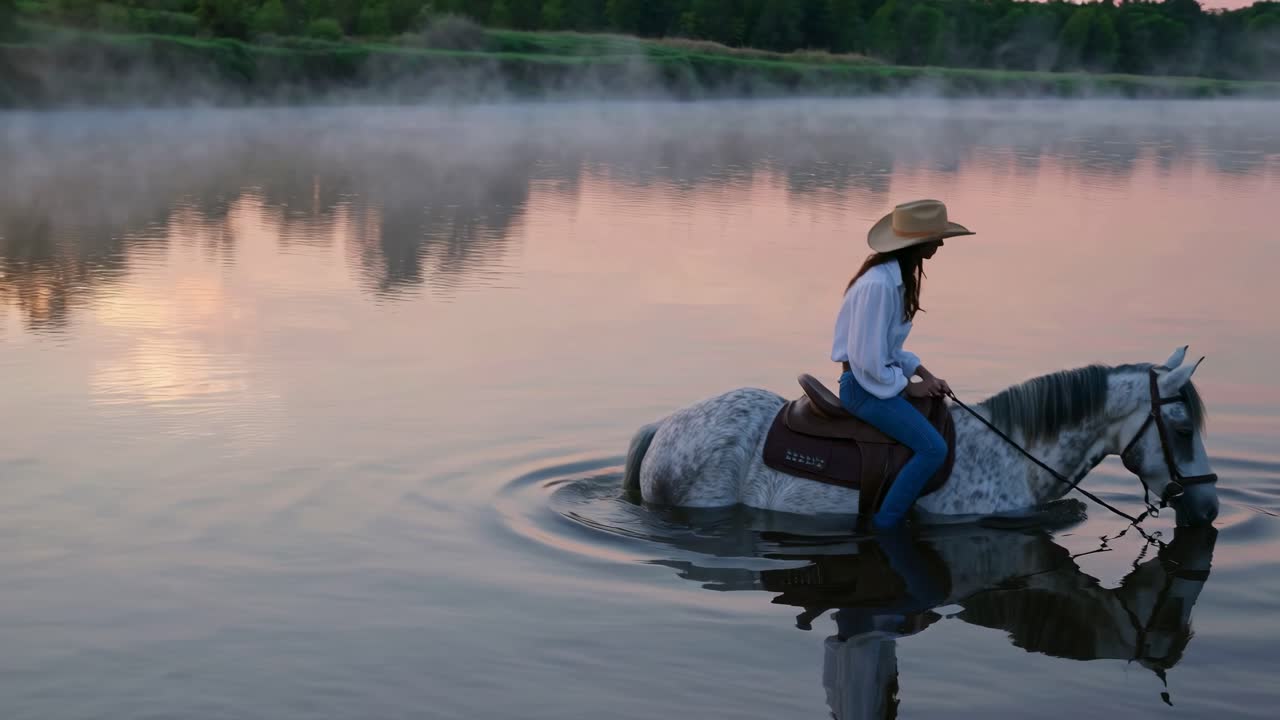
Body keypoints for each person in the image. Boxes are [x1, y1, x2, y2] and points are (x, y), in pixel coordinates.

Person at [831, 199, 975, 530]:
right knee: (933, 449)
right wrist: (910, 387)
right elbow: (868, 361)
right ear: (917, 243)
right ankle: (886, 524)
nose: (940, 244)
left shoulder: (892, 279)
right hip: (864, 388)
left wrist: (924, 373)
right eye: (936, 238)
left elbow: (889, 348)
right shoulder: (879, 286)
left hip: (876, 381)